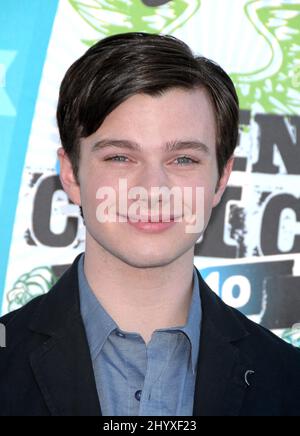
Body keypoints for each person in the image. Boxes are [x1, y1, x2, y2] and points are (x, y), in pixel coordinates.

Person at [0, 32, 299, 417]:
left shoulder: (289, 382)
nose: (153, 190)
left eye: (183, 160)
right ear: (71, 174)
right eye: (121, 158)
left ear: (221, 178)